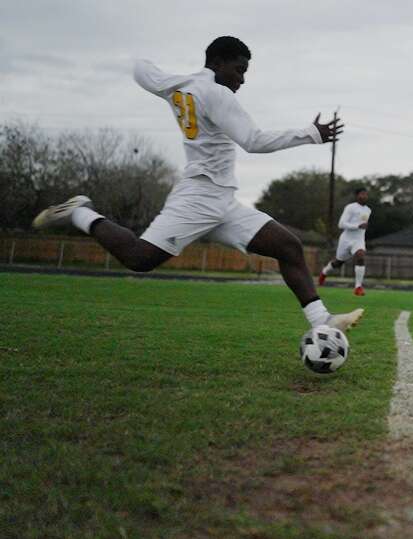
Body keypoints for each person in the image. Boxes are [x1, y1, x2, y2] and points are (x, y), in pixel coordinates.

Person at [32, 36, 362, 333]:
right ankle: (81, 212)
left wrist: (134, 54)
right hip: (198, 198)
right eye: (239, 70)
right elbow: (253, 140)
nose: (242, 79)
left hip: (223, 202)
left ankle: (323, 321)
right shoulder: (216, 93)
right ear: (217, 63)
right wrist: (311, 134)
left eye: (245, 73)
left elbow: (143, 72)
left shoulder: (179, 83)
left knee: (288, 247)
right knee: (139, 258)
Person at [318, 187, 371, 296]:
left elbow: (363, 226)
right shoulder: (350, 207)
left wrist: (363, 226)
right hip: (346, 240)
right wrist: (357, 226)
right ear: (357, 196)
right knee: (338, 263)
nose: (364, 196)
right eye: (362, 194)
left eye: (366, 194)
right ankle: (324, 273)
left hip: (359, 240)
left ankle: (358, 287)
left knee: (360, 256)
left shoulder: (368, 210)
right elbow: (341, 224)